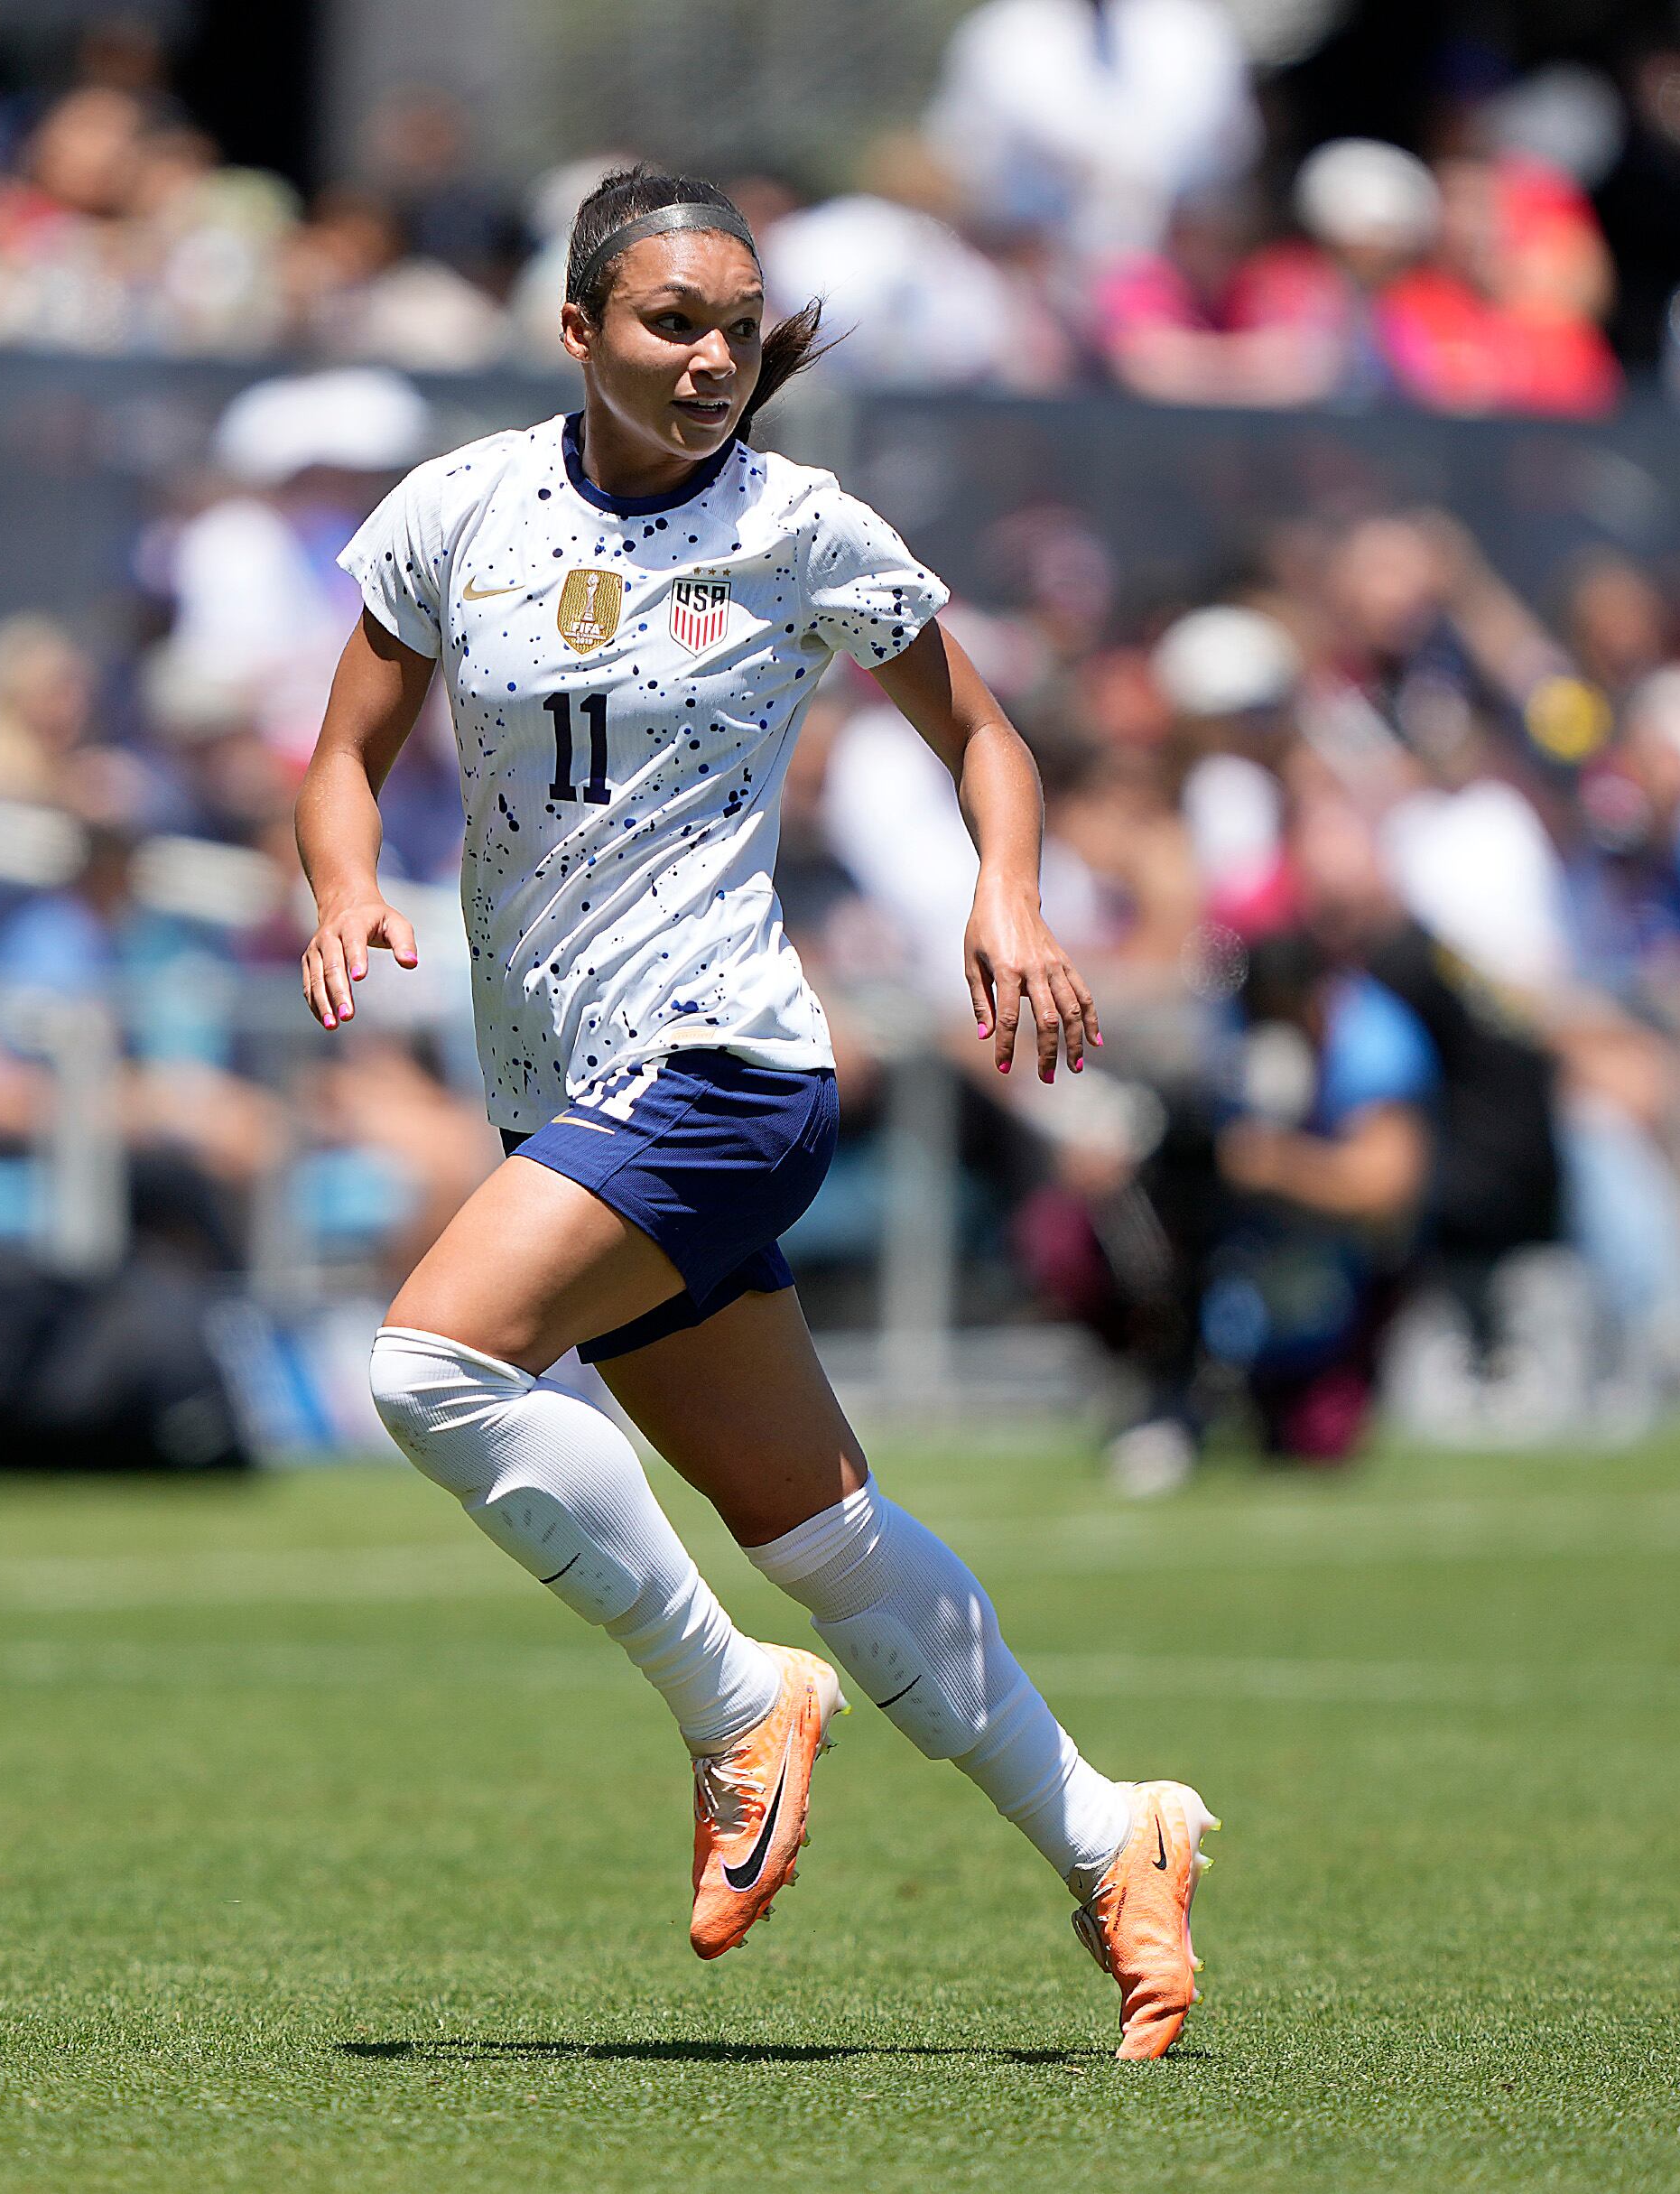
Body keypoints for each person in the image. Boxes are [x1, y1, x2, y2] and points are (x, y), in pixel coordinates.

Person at [293, 167, 1215, 2059]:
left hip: (724, 1069)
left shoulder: (801, 530)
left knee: (431, 1369)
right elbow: (340, 757)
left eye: (733, 327)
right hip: (564, 1094)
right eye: (670, 323)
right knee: (820, 1529)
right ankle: (1110, 1832)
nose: (713, 358)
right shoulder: (456, 513)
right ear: (578, 330)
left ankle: (736, 1707)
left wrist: (1008, 893)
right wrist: (342, 883)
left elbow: (983, 732)